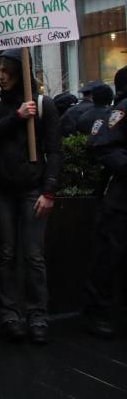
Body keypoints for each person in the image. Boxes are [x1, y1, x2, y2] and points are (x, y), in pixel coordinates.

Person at [0, 49, 61, 345]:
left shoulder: (44, 105)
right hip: (2, 189)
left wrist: (49, 190)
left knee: (34, 255)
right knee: (6, 252)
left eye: (7, 71)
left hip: (32, 189)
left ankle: (38, 315)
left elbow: (54, 150)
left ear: (20, 73)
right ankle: (9, 314)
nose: (1, 76)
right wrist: (16, 117)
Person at [83, 66, 127, 339]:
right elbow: (100, 145)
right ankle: (96, 310)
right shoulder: (122, 109)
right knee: (110, 255)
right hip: (121, 199)